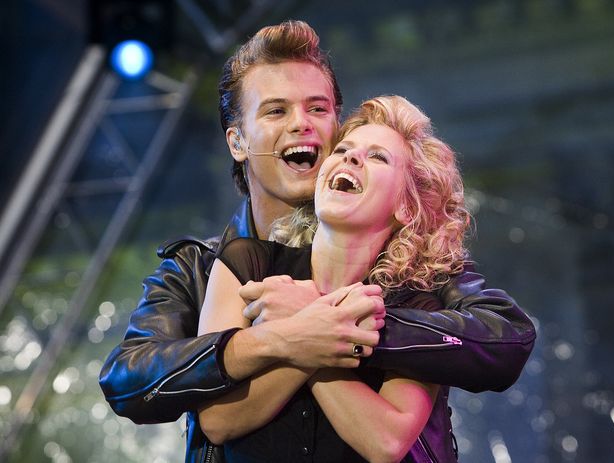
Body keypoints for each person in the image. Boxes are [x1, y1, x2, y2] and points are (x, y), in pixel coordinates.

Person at [99, 20, 536, 463]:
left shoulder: (417, 269)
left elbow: (507, 337)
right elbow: (129, 379)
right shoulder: (205, 265)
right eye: (276, 111)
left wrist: (351, 326)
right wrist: (295, 335)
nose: (301, 124)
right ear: (238, 141)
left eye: (318, 109)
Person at [197, 94, 469, 462]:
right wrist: (318, 332)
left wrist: (307, 321)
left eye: (378, 157)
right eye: (342, 150)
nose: (350, 158)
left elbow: (387, 443)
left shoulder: (417, 311)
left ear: (406, 206)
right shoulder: (246, 263)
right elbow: (215, 420)